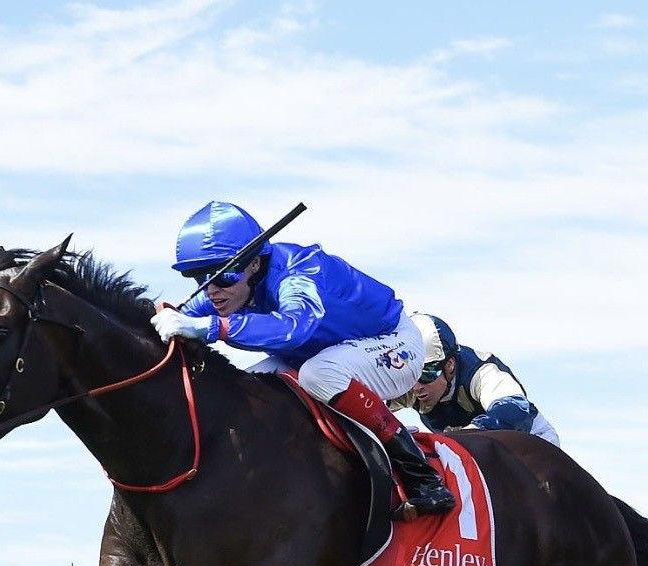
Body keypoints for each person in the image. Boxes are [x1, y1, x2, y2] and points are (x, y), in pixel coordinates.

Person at [151, 201, 455, 517]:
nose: (212, 290)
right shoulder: (227, 288)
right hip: (325, 355)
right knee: (241, 388)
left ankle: (422, 475)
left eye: (222, 276)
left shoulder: (299, 270)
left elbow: (294, 328)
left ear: (254, 263)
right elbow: (180, 317)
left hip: (393, 342)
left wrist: (212, 327)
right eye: (199, 277)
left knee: (318, 374)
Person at [388, 313, 559, 445]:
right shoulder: (410, 386)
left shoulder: (482, 372)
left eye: (427, 374)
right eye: (410, 375)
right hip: (477, 449)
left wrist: (462, 436)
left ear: (450, 364)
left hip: (530, 441)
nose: (416, 387)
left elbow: (515, 410)